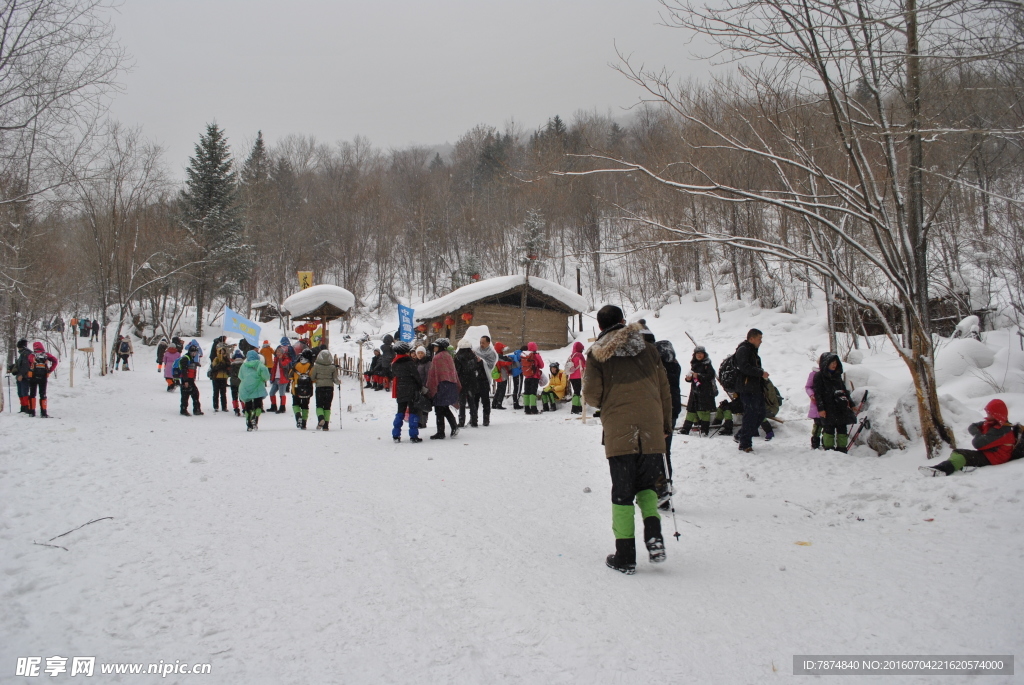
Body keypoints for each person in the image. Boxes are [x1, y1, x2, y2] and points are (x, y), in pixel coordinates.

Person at [583, 306, 672, 575]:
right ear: (623, 321)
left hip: (620, 429)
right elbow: (664, 390)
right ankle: (654, 535)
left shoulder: (597, 355)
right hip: (652, 429)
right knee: (647, 485)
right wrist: (666, 426)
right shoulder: (649, 348)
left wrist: (608, 402)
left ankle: (625, 555)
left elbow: (590, 395)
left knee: (622, 491)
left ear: (600, 327)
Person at [920, 399, 1021, 476]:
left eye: (989, 413)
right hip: (990, 454)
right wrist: (981, 434)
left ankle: (943, 470)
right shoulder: (994, 424)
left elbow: (977, 444)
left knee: (962, 454)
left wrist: (979, 435)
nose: (987, 414)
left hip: (995, 459)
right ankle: (949, 466)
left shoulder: (1001, 430)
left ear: (996, 415)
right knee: (959, 453)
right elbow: (972, 426)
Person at [733, 328, 769, 453]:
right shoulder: (743, 350)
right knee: (751, 415)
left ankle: (741, 435)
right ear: (751, 338)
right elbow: (744, 367)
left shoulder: (752, 351)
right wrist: (760, 373)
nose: (761, 341)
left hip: (755, 388)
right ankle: (745, 443)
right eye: (759, 338)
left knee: (761, 413)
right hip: (747, 388)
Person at [813, 353, 855, 452]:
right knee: (829, 429)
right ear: (825, 363)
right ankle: (829, 449)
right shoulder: (819, 376)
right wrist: (821, 409)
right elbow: (818, 394)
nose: (834, 365)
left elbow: (844, 391)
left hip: (840, 407)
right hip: (828, 408)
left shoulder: (837, 375)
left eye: (835, 362)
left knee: (842, 429)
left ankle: (842, 448)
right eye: (831, 362)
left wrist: (851, 404)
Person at [426, 338, 460, 439]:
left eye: (436, 346)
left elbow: (433, 374)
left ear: (440, 346)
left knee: (439, 409)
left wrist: (430, 386)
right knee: (444, 408)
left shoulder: (438, 357)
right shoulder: (448, 356)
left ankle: (441, 432)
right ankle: (454, 426)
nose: (434, 347)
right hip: (449, 385)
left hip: (440, 386)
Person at [390, 341, 424, 442]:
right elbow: (416, 376)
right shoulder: (409, 362)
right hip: (411, 389)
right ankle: (413, 436)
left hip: (400, 389)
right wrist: (420, 386)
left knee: (400, 411)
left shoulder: (394, 363)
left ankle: (396, 435)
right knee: (413, 411)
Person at [680, 345, 715, 436]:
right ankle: (685, 429)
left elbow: (710, 376)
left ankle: (704, 430)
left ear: (704, 354)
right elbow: (692, 378)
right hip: (695, 391)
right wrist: (688, 378)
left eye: (701, 353)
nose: (699, 355)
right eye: (697, 353)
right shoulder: (694, 364)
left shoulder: (707, 365)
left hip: (705, 392)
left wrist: (698, 375)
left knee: (704, 411)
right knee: (691, 410)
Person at [455, 338, 489, 427]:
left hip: (462, 382)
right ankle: (474, 421)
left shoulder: (458, 357)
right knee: (472, 402)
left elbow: (456, 370)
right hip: (472, 382)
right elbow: (476, 368)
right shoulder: (473, 356)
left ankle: (461, 421)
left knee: (462, 403)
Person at [238, 349, 270, 431]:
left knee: (248, 405)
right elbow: (266, 377)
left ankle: (248, 423)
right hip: (257, 387)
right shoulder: (260, 365)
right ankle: (255, 418)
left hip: (245, 387)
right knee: (258, 405)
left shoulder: (243, 365)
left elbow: (240, 376)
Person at [24, 342, 58, 417]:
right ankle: (43, 412)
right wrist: (50, 370)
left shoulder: (32, 355)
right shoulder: (46, 355)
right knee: (43, 394)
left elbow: (28, 364)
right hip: (43, 377)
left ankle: (32, 412)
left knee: (32, 394)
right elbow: (55, 360)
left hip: (33, 377)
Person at [310, 348, 340, 431]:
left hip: (320, 387)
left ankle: (321, 418)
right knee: (327, 406)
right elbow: (335, 379)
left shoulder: (316, 366)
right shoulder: (332, 367)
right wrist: (339, 383)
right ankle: (326, 425)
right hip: (329, 388)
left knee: (319, 405)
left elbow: (312, 377)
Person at [290, 349, 315, 429]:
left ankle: (298, 416)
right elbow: (313, 378)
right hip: (306, 390)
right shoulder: (310, 366)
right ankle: (304, 423)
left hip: (296, 389)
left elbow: (290, 376)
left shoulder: (296, 365)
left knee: (295, 404)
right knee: (305, 406)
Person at [805, 354, 826, 448]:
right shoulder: (813, 374)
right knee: (817, 424)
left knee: (827, 425)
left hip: (828, 404)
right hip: (816, 403)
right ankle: (815, 441)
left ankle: (826, 441)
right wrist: (812, 395)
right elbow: (808, 387)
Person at [474, 335, 496, 421]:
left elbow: (491, 365)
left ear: (488, 343)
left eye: (483, 342)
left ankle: (486, 418)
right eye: (480, 342)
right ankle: (473, 418)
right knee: (474, 400)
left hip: (484, 379)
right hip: (475, 379)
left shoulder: (491, 353)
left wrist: (482, 361)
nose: (481, 344)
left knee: (485, 400)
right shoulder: (476, 350)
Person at [520, 342, 544, 414]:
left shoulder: (525, 355)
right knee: (533, 392)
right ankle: (533, 409)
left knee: (526, 392)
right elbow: (542, 365)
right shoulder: (536, 355)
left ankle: (526, 409)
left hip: (527, 376)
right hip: (534, 376)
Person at [177, 349, 203, 416]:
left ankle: (196, 410)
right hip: (186, 379)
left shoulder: (190, 358)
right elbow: (184, 370)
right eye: (193, 352)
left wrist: (195, 364)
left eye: (195, 352)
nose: (195, 354)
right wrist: (185, 381)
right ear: (190, 352)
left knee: (195, 394)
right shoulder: (186, 358)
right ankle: (184, 410)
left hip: (190, 379)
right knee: (186, 395)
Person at [9, 339, 32, 414]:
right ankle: (23, 407)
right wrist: (12, 368)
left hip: (24, 377)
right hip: (21, 376)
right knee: (20, 392)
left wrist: (21, 375)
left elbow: (25, 366)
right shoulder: (23, 354)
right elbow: (19, 364)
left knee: (24, 392)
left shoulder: (26, 354)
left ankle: (26, 407)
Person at [491, 343, 514, 410]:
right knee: (502, 390)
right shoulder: (499, 357)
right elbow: (508, 362)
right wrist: (508, 358)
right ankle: (499, 404)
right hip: (502, 375)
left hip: (497, 375)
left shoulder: (494, 356)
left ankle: (494, 403)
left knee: (498, 390)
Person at [565, 341, 587, 414]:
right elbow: (584, 365)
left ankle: (578, 407)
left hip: (571, 376)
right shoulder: (580, 355)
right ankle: (575, 408)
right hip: (578, 376)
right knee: (577, 392)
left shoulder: (571, 356)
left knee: (575, 391)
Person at [269, 346, 291, 414]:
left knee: (282, 393)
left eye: (279, 352)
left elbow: (284, 366)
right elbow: (274, 369)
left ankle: (282, 407)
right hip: (276, 378)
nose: (277, 353)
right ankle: (273, 406)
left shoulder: (286, 359)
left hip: (283, 378)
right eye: (277, 352)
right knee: (271, 393)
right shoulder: (276, 359)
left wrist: (281, 359)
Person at [209, 346, 231, 413]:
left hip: (224, 377)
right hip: (216, 377)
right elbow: (214, 367)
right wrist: (220, 365)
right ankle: (216, 407)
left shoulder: (226, 359)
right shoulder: (216, 359)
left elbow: (229, 366)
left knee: (223, 393)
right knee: (216, 393)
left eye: (223, 351)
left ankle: (224, 407)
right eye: (221, 352)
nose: (222, 353)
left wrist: (226, 365)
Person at [228, 349, 244, 416]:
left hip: (233, 383)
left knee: (234, 397)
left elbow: (229, 373)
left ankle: (236, 409)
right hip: (241, 383)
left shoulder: (232, 365)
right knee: (242, 397)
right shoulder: (243, 365)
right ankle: (244, 408)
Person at [510, 345, 525, 409]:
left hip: (515, 373)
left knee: (515, 388)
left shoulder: (517, 353)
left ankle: (515, 403)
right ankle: (516, 404)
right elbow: (521, 364)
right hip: (518, 373)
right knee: (518, 389)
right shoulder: (521, 355)